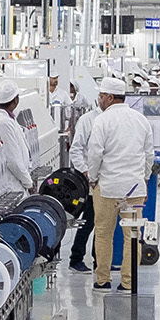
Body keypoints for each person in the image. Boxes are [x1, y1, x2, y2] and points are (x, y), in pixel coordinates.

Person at [84, 74, 151, 292]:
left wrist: (92, 178)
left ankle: (103, 280)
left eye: (101, 96)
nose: (99, 100)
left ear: (110, 97)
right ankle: (128, 282)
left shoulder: (102, 120)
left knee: (103, 232)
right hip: (134, 188)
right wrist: (145, 178)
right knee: (133, 235)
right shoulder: (141, 120)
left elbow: (95, 154)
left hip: (108, 188)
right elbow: (148, 155)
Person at [66, 84, 100, 271]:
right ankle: (76, 258)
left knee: (101, 224)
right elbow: (76, 149)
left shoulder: (113, 119)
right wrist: (85, 171)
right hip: (90, 181)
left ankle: (99, 260)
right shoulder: (88, 120)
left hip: (107, 181)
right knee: (89, 221)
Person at [0, 78, 34, 191]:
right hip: (13, 184)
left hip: (18, 182)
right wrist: (28, 183)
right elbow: (13, 160)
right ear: (15, 99)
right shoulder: (3, 122)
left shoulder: (8, 118)